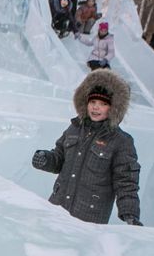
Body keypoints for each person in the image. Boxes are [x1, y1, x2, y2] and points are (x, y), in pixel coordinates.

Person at [31, 69, 141, 226]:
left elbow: (126, 182)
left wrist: (130, 214)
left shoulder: (121, 141)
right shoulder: (74, 129)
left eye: (103, 104)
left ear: (114, 108)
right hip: (57, 208)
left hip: (88, 219)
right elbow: (59, 158)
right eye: (93, 102)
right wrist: (45, 159)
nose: (96, 108)